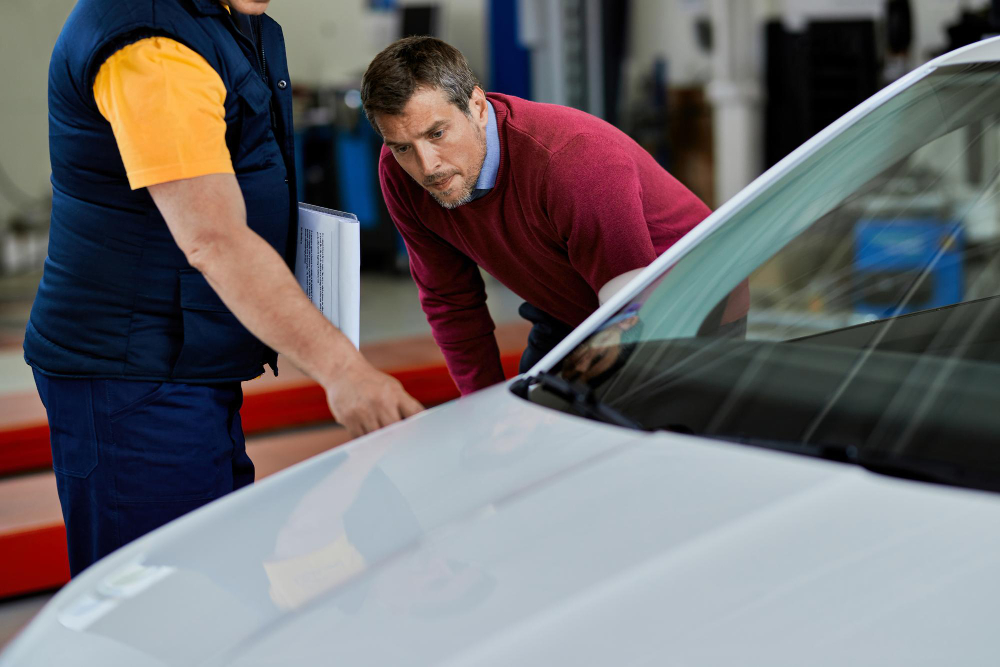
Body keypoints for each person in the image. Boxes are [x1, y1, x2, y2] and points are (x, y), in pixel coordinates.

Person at [26, 0, 422, 576]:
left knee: (213, 580)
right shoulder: (154, 47)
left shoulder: (227, 20)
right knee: (163, 604)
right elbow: (213, 237)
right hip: (132, 378)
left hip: (188, 364)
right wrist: (342, 368)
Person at [362, 36, 714, 396]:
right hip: (565, 306)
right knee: (525, 424)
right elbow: (450, 302)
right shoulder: (399, 175)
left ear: (479, 108)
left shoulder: (573, 162)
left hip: (681, 303)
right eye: (403, 147)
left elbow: (634, 315)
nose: (427, 166)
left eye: (437, 133)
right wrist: (484, 409)